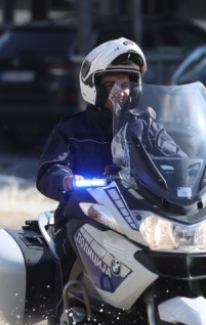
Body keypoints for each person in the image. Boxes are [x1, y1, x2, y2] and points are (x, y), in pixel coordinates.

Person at [36, 38, 150, 286]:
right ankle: (63, 314)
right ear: (93, 87)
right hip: (88, 216)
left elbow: (178, 160)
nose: (122, 91)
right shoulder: (71, 129)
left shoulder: (147, 127)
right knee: (65, 259)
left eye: (127, 84)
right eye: (111, 84)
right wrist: (65, 180)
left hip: (141, 217)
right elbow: (49, 170)